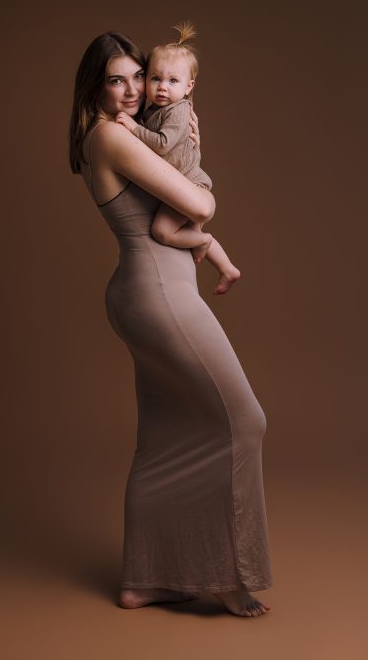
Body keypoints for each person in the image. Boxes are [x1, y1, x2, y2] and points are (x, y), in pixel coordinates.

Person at [69, 31, 272, 618]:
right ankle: (230, 576)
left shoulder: (108, 134)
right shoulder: (112, 135)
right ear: (95, 87)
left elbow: (175, 182)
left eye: (139, 76)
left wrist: (181, 142)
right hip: (159, 292)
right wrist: (189, 151)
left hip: (144, 290)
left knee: (166, 439)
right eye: (117, 80)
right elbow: (201, 206)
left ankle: (144, 580)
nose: (134, 90)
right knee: (244, 421)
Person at [113, 23, 241, 295]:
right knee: (188, 238)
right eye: (155, 79)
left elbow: (161, 145)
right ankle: (227, 268)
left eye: (172, 81)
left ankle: (206, 244)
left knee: (162, 231)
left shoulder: (179, 111)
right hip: (184, 185)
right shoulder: (155, 110)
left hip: (190, 185)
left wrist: (133, 128)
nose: (162, 87)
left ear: (188, 87)